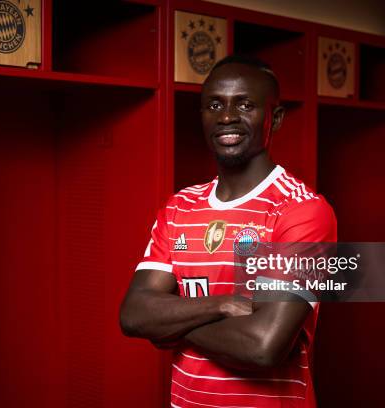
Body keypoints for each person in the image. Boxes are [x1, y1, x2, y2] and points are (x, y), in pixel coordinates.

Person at [119, 54, 337, 407]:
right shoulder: (179, 208)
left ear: (275, 118)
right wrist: (223, 305)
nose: (226, 117)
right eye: (214, 105)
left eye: (245, 104)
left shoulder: (301, 211)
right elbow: (133, 315)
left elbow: (263, 345)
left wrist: (170, 326)